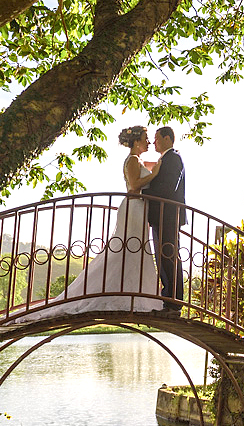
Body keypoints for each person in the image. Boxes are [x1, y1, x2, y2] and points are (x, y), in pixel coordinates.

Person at [16, 125, 164, 321]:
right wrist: (155, 172)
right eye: (145, 138)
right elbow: (134, 187)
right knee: (127, 249)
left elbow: (152, 168)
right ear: (136, 141)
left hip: (140, 210)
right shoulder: (132, 160)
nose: (148, 142)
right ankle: (107, 293)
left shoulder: (139, 160)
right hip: (133, 207)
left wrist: (161, 162)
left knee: (135, 251)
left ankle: (132, 294)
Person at [144, 126, 186, 314]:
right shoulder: (165, 159)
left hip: (168, 216)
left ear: (167, 139)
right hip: (160, 215)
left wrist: (143, 192)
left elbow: (168, 188)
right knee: (162, 258)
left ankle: (174, 303)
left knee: (169, 256)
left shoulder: (173, 158)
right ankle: (168, 299)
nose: (154, 142)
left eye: (157, 138)